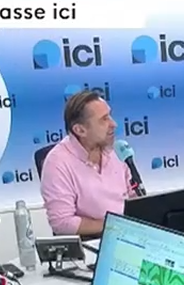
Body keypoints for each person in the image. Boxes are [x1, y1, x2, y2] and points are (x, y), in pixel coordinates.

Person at [41, 90, 132, 237]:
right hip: (93, 240)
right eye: (104, 119)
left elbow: (134, 194)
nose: (114, 124)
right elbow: (62, 223)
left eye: (110, 115)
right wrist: (114, 226)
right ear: (80, 130)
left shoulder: (116, 150)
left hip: (128, 234)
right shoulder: (57, 163)